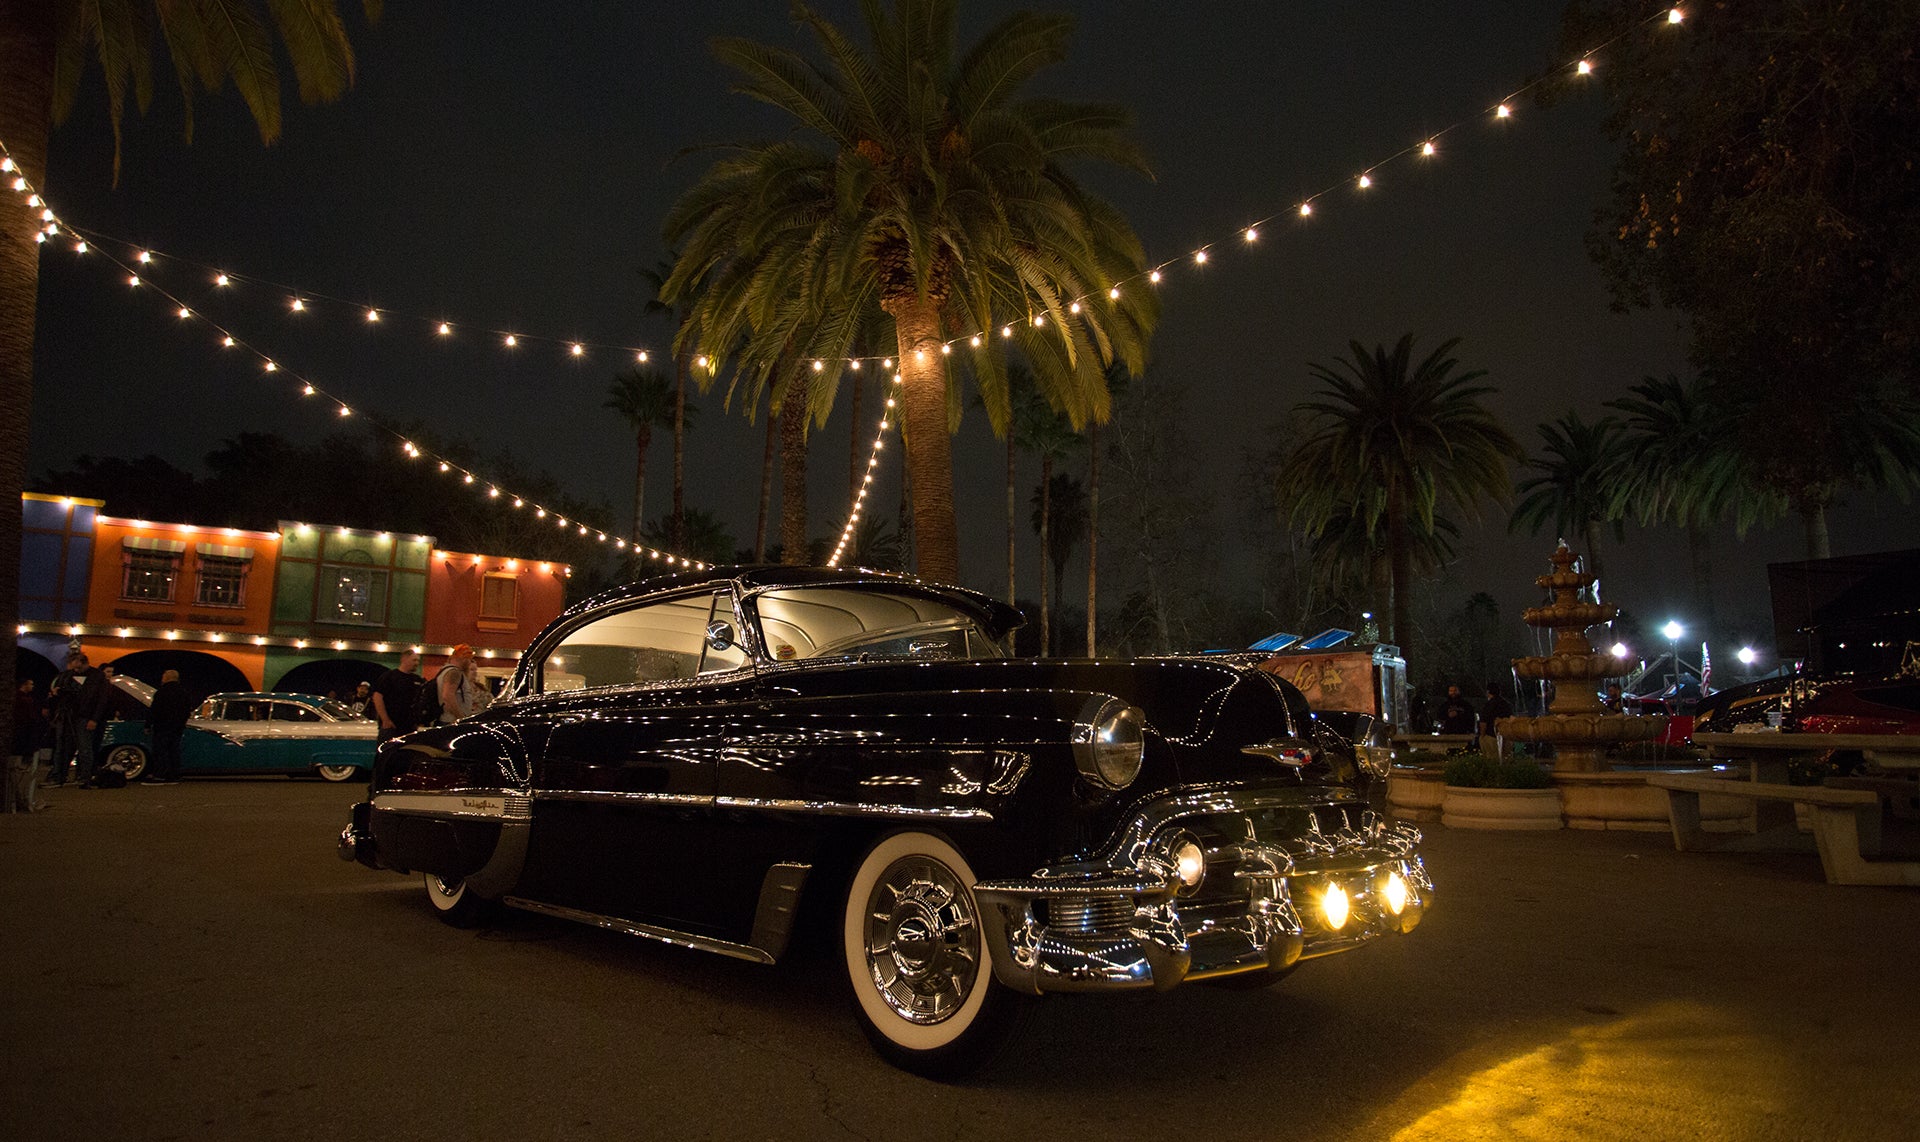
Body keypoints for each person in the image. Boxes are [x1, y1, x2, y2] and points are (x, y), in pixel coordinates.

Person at [48, 653, 113, 788]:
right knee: (64, 747)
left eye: (78, 667)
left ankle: (84, 777)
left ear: (83, 663)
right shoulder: (67, 675)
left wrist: (94, 719)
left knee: (85, 748)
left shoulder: (97, 677)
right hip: (68, 716)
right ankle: (60, 775)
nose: (76, 670)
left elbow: (102, 700)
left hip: (84, 717)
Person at [142, 669, 194, 785]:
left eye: (163, 676)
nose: (162, 678)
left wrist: (148, 724)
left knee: (160, 750)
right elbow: (187, 710)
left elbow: (154, 710)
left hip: (162, 725)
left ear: (167, 678)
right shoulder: (183, 692)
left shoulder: (162, 692)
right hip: (177, 727)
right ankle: (174, 775)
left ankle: (159, 775)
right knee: (174, 750)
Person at [7, 679, 50, 812]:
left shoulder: (20, 699)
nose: (33, 686)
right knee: (17, 771)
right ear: (24, 685)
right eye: (30, 684)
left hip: (20, 739)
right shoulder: (24, 701)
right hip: (23, 739)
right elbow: (30, 719)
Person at [371, 649, 425, 744]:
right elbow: (377, 697)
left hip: (409, 726)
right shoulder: (389, 676)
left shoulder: (417, 680)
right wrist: (385, 720)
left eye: (418, 661)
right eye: (414, 660)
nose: (417, 663)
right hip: (391, 726)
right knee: (387, 754)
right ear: (404, 659)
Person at [434, 644, 491, 724]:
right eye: (469, 660)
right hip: (450, 721)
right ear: (464, 659)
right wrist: (461, 718)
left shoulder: (444, 671)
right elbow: (447, 696)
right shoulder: (454, 672)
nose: (469, 663)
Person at [1480, 682, 1514, 751]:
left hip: (1491, 736)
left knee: (1492, 759)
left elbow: (1483, 722)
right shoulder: (1506, 704)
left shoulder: (1488, 705)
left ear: (1488, 692)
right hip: (1506, 736)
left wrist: (1482, 736)